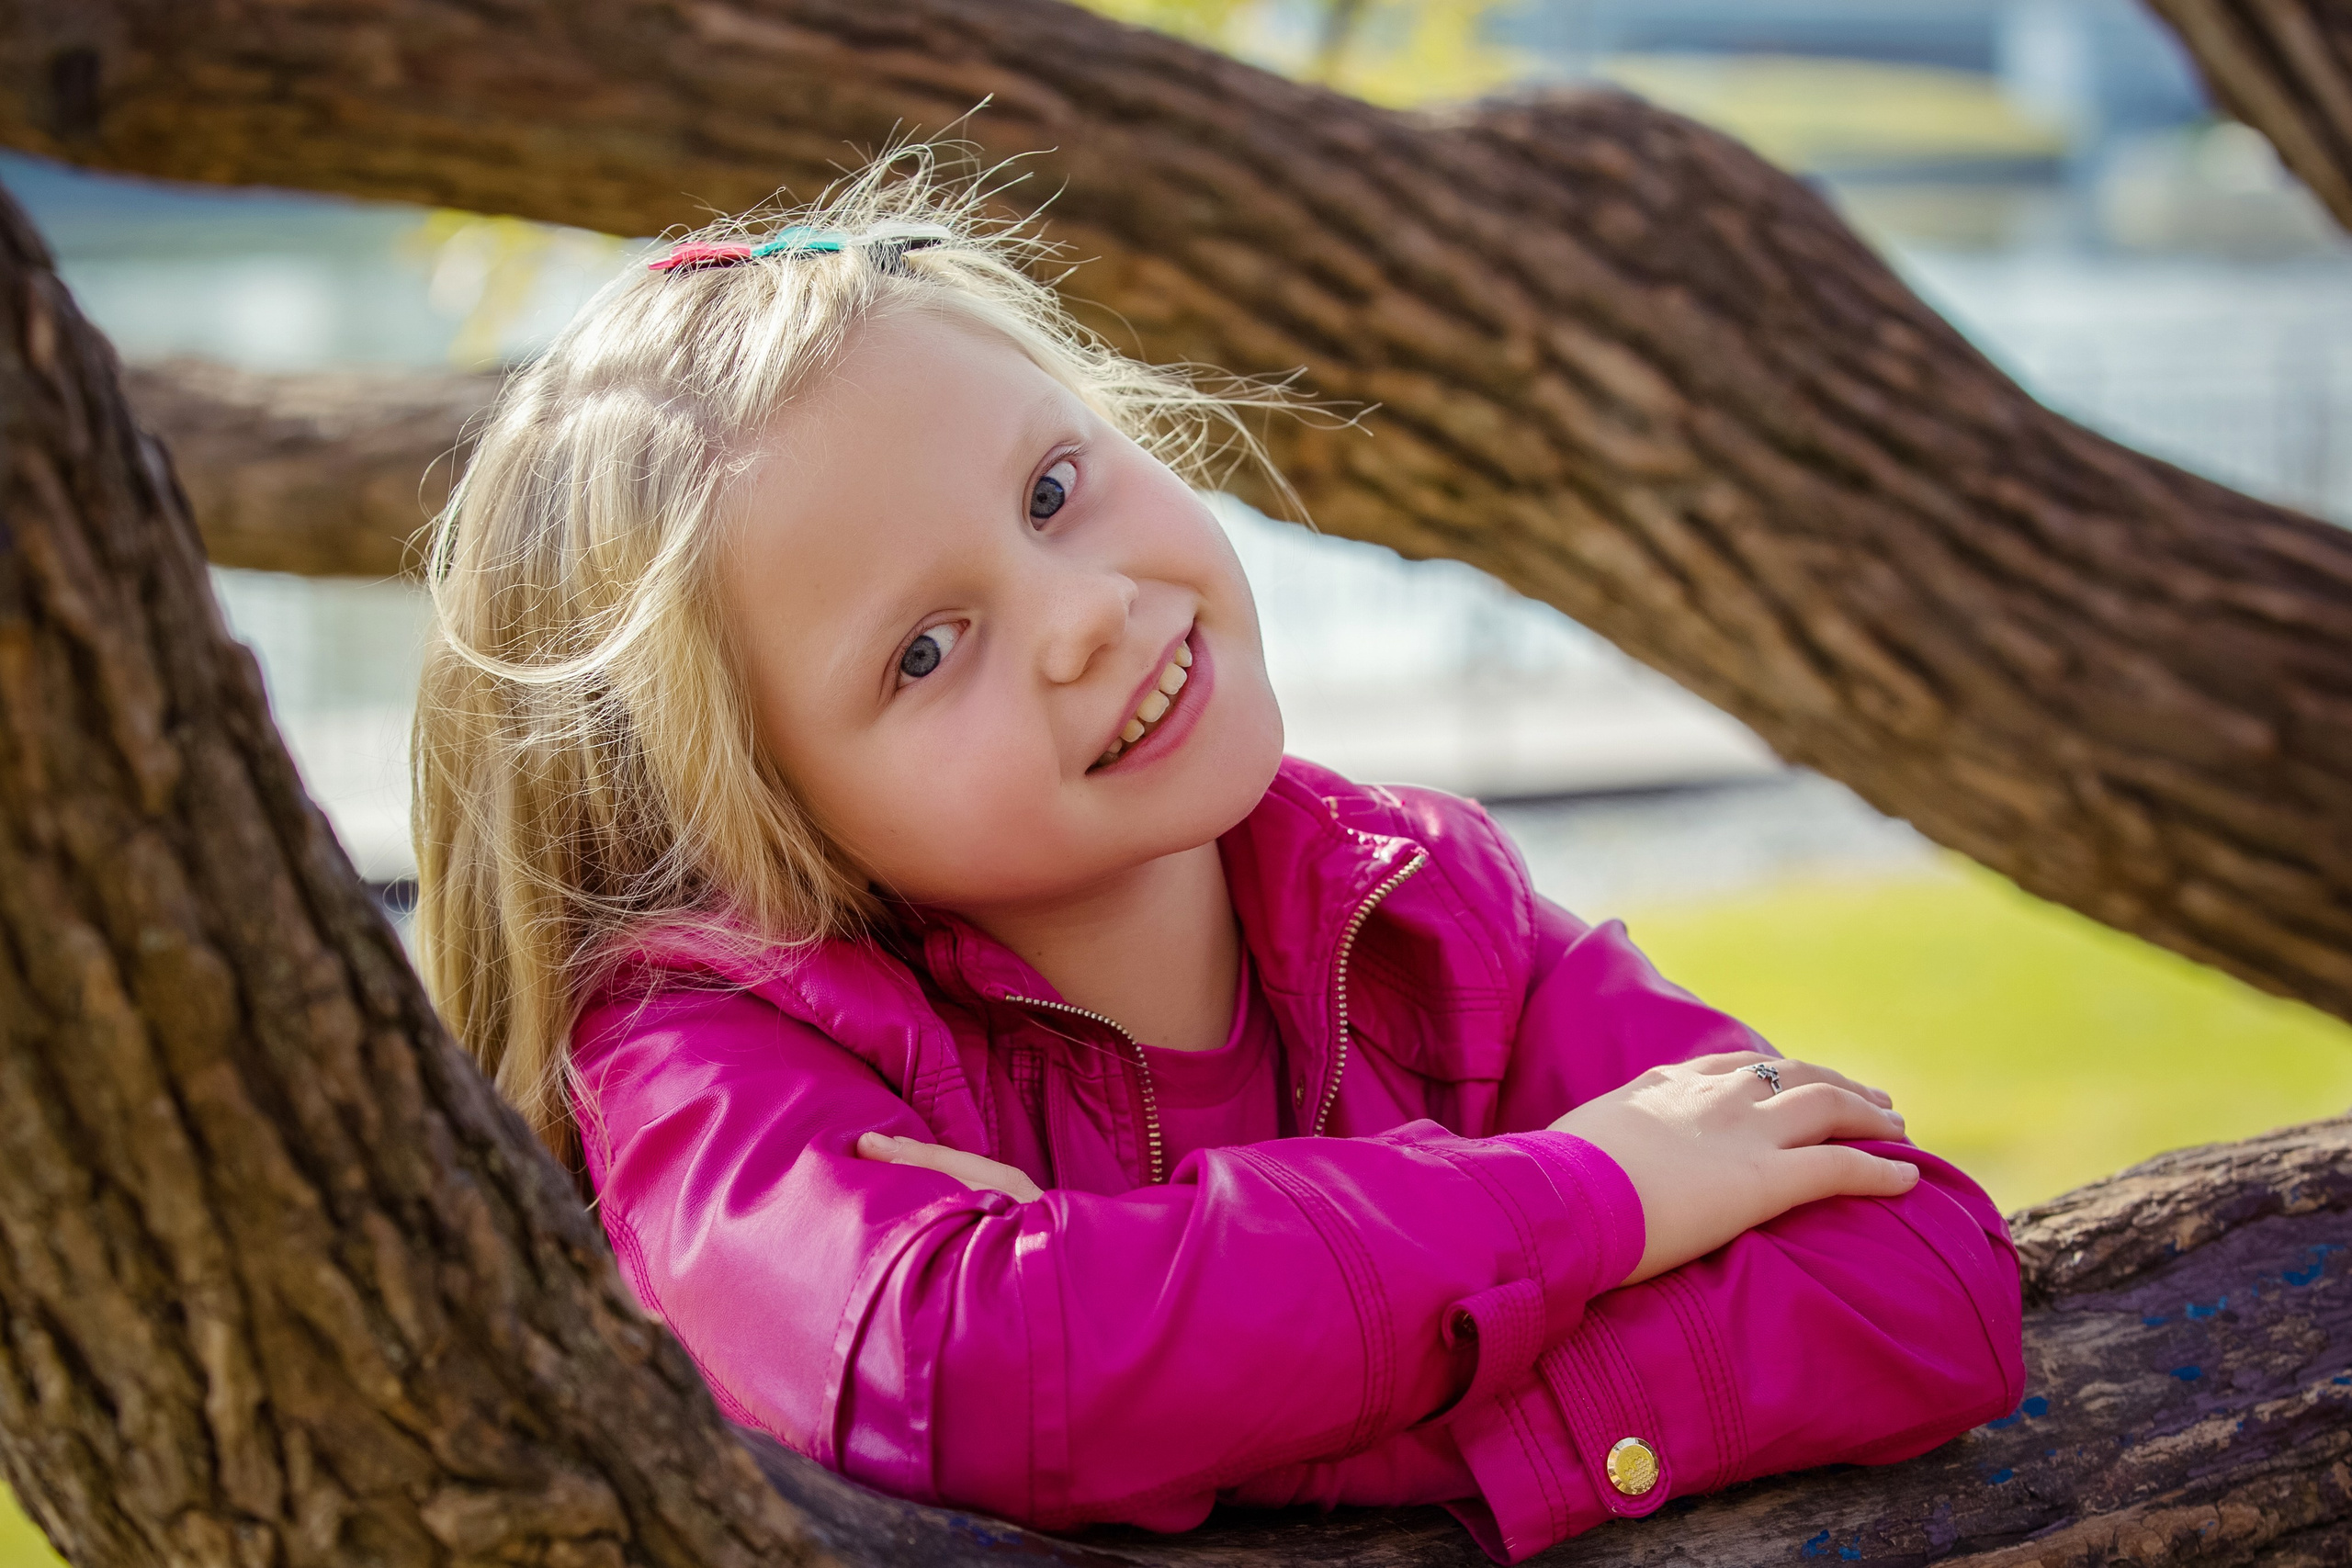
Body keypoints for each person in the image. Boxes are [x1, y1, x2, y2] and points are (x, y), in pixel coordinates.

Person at [412, 154, 2023, 1563]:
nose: (1084, 612)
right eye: (924, 650)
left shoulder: (1418, 903)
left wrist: (1217, 1404)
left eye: (1054, 489)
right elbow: (962, 1372)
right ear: (746, 808)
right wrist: (1599, 1197)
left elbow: (1924, 1277)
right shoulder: (704, 1059)